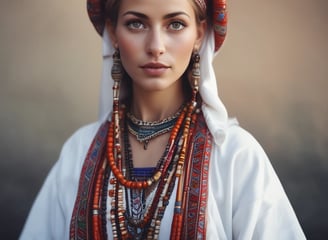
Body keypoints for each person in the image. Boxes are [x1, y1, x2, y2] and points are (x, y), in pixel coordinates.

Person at [20, 0, 306, 239]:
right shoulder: (79, 152)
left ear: (199, 34)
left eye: (176, 24)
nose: (156, 45)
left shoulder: (235, 155)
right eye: (136, 23)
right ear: (113, 32)